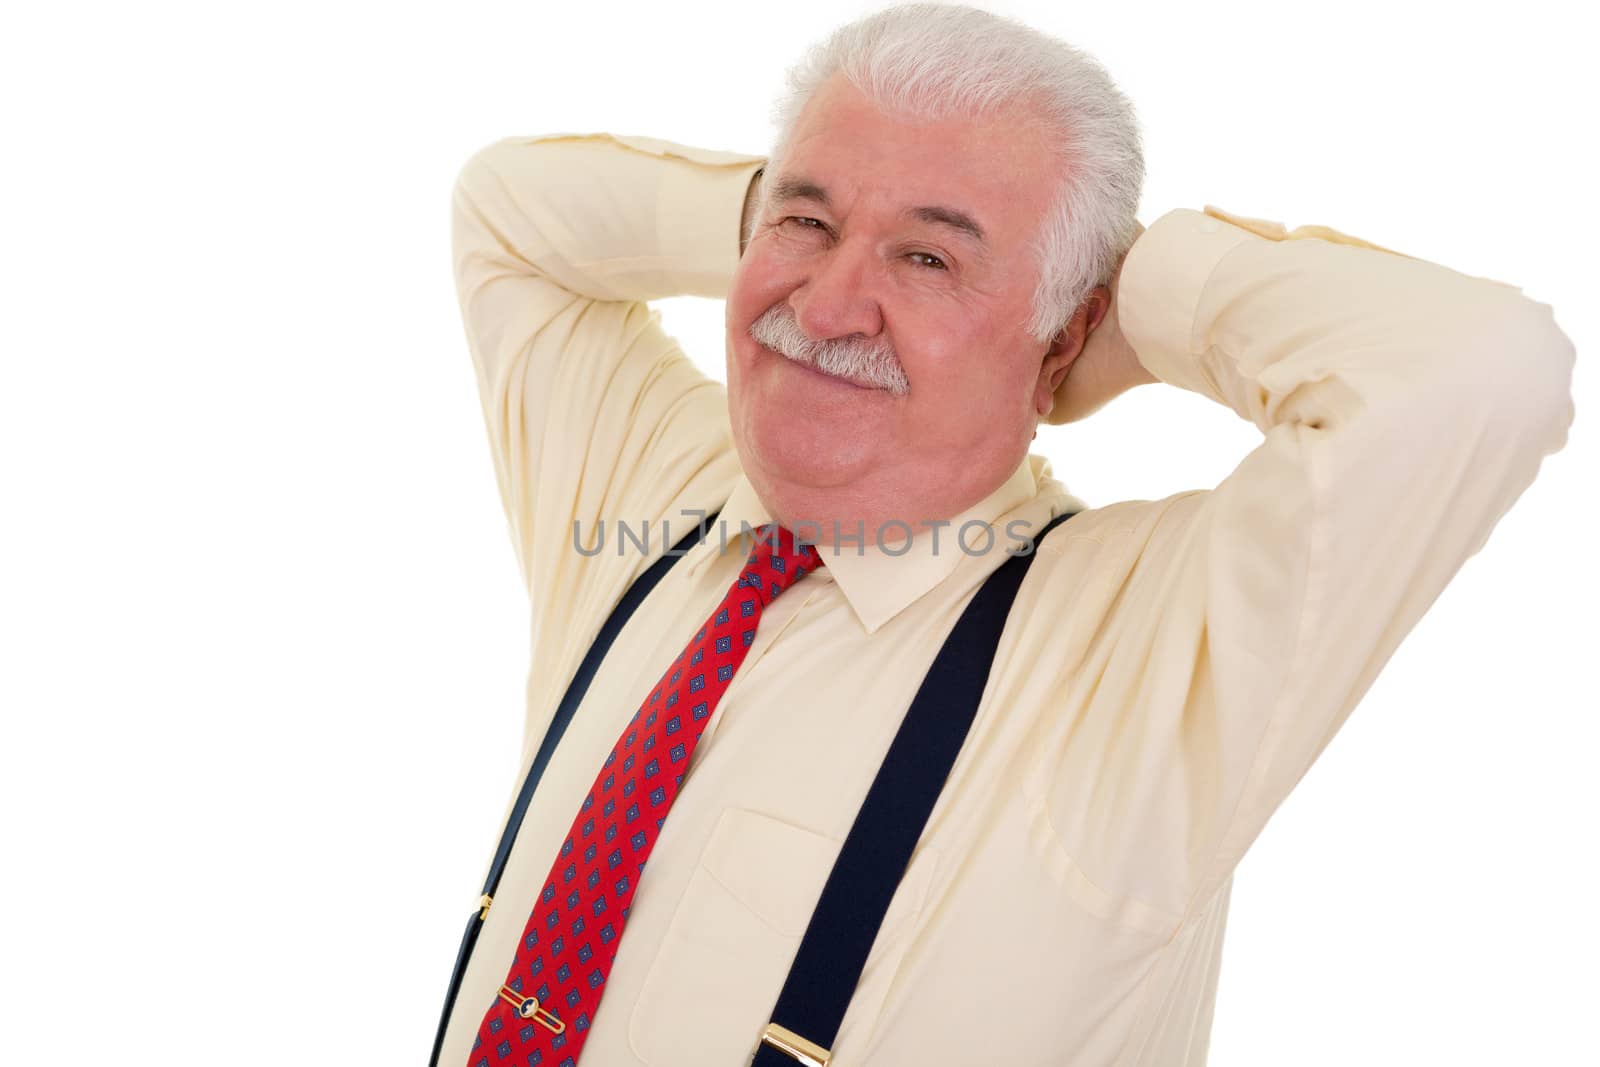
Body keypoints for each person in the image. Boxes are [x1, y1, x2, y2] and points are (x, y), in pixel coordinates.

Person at [435, 4, 1575, 1065]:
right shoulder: (654, 500)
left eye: (928, 258)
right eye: (805, 223)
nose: (824, 307)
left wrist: (1119, 309)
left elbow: (1484, 369)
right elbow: (508, 211)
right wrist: (783, 210)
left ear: (1064, 330)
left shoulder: (1141, 652)